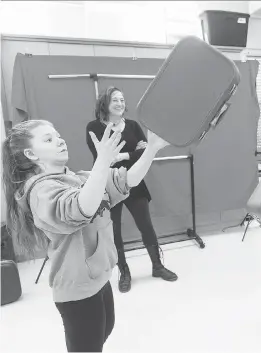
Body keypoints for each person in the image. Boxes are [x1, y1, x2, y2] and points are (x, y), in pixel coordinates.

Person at [2, 119, 170, 352]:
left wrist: (151, 148)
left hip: (99, 278)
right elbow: (81, 208)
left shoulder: (77, 178)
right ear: (31, 153)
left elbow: (126, 180)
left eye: (58, 134)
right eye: (48, 139)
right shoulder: (40, 191)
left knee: (104, 331)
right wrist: (102, 163)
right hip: (77, 290)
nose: (59, 140)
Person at [86, 87, 177, 294]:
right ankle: (124, 272)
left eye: (122, 99)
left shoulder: (134, 125)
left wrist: (123, 157)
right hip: (108, 185)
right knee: (114, 230)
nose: (120, 103)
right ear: (105, 104)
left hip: (133, 182)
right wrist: (131, 153)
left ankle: (157, 266)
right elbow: (102, 158)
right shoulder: (94, 127)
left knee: (146, 225)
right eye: (115, 100)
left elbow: (145, 152)